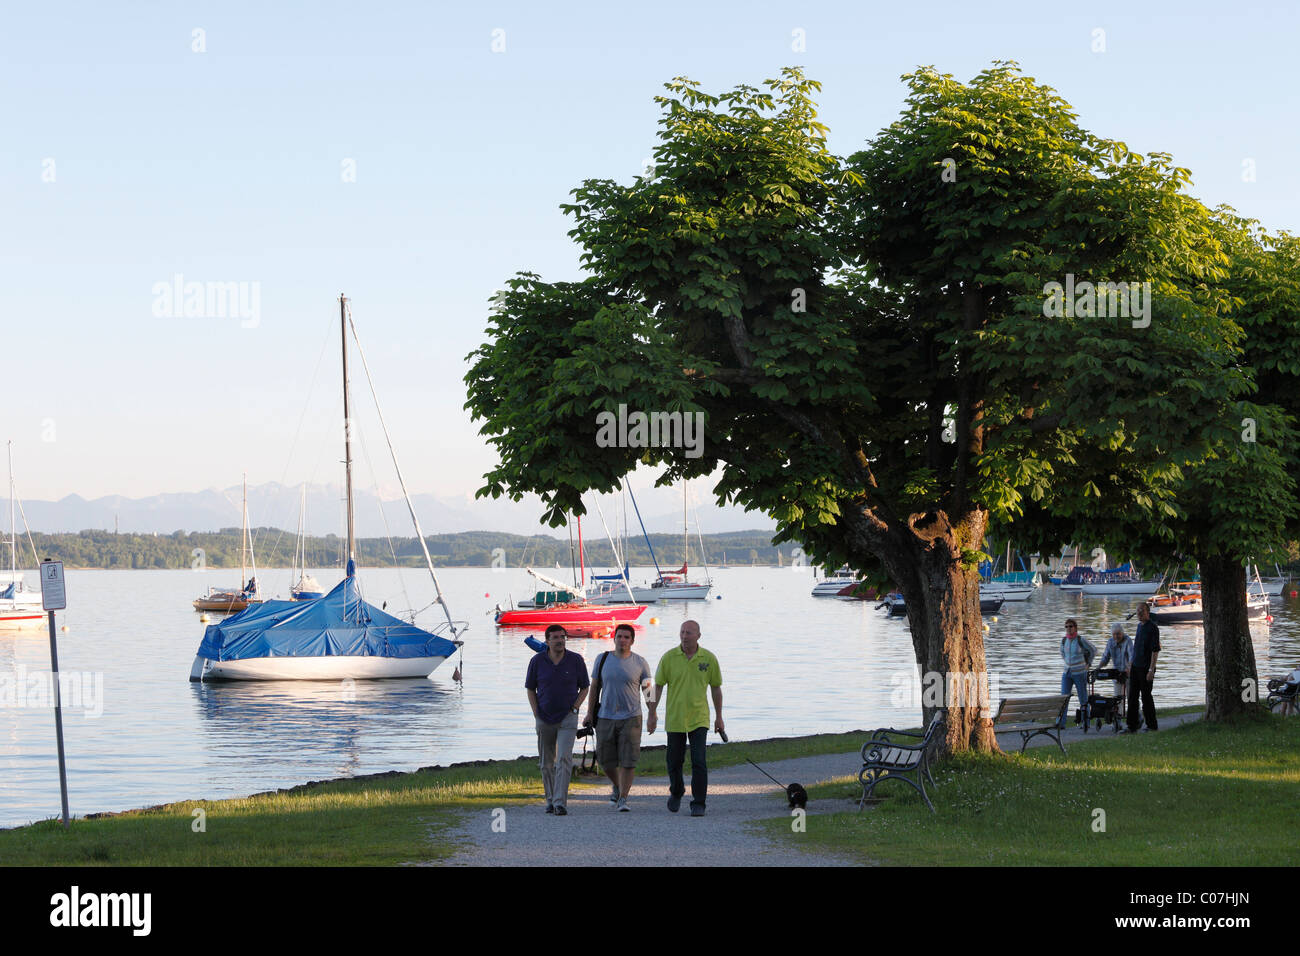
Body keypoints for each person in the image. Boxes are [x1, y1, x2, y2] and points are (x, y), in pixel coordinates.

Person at [647, 620, 722, 817]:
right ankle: (677, 791)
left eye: (689, 632)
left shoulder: (709, 658)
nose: (684, 635)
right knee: (674, 761)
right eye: (682, 632)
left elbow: (716, 688)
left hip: (699, 718)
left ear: (698, 635)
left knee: (699, 760)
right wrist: (651, 713)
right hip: (675, 718)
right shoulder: (669, 657)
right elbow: (657, 686)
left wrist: (719, 717)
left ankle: (699, 802)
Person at [584, 623, 652, 812]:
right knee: (605, 760)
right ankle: (617, 785)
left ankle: (623, 798)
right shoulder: (602, 659)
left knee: (629, 760)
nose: (622, 640)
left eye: (626, 637)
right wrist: (590, 713)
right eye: (619, 636)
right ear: (614, 638)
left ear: (632, 641)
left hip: (631, 717)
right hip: (605, 716)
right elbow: (595, 687)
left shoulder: (640, 662)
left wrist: (652, 714)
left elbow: (649, 692)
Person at [524, 624, 589, 815]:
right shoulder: (537, 661)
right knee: (546, 762)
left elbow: (585, 687)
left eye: (563, 637)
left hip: (567, 718)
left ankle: (561, 802)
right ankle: (550, 799)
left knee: (564, 758)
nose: (560, 640)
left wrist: (575, 707)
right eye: (555, 638)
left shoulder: (576, 660)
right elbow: (530, 688)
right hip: (544, 717)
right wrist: (536, 711)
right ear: (547, 641)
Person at [1128, 603, 1161, 732]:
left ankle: (1152, 725)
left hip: (1146, 667)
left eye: (1142, 611)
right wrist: (1131, 664)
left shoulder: (1152, 627)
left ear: (1148, 612)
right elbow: (1136, 648)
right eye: (1137, 611)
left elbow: (1155, 650)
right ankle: (1132, 725)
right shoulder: (1139, 626)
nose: (1139, 613)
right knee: (1132, 697)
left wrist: (1151, 669)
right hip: (1136, 666)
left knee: (1146, 696)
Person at [1058, 619, 1095, 731]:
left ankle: (1086, 722)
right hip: (1067, 673)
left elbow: (1093, 650)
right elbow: (1062, 653)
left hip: (1080, 673)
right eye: (1067, 627)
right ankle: (1061, 723)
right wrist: (1068, 663)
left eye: (1071, 626)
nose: (1069, 629)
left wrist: (1088, 663)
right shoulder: (1064, 641)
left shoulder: (1081, 640)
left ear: (1075, 628)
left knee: (1083, 698)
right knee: (1064, 698)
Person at [1099, 622, 1133, 698]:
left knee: (1132, 697)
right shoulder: (1110, 641)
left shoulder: (1128, 640)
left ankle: (1135, 710)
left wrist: (1129, 668)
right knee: (1117, 699)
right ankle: (1119, 710)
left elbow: (1132, 656)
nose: (1116, 636)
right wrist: (1098, 668)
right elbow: (1105, 657)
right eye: (1114, 634)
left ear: (1122, 633)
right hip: (1116, 674)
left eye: (1118, 634)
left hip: (1129, 673)